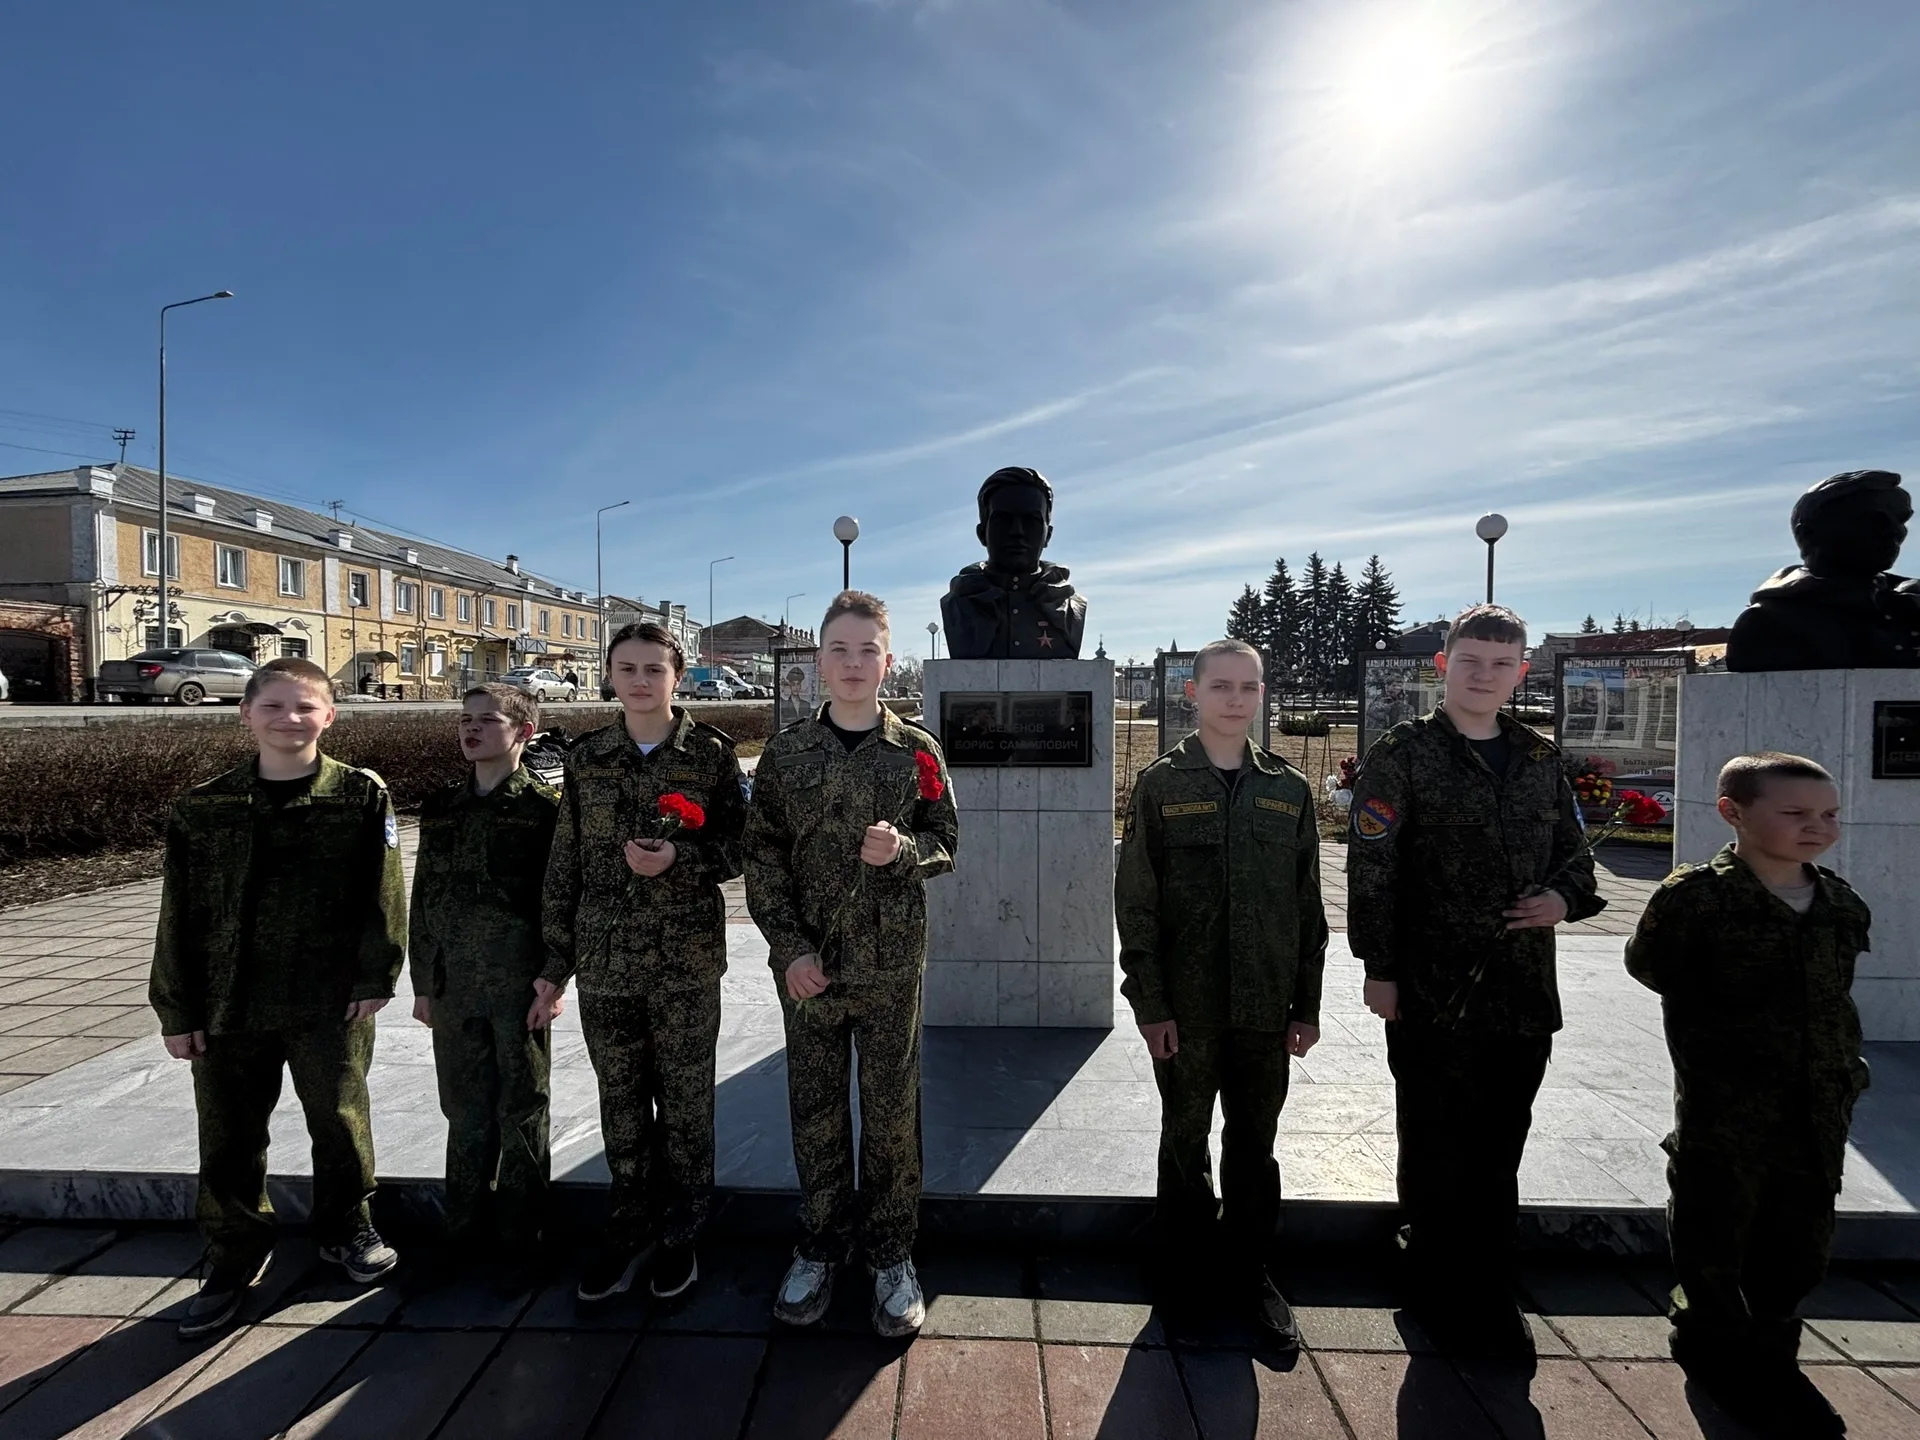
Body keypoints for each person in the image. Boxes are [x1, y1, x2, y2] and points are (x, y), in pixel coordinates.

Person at [1345, 603, 1603, 1355]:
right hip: (1430, 984)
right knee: (1434, 1138)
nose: (1484, 676)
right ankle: (1430, 1276)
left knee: (1500, 1141)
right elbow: (1373, 865)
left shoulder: (1538, 759)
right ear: (1443, 667)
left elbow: (1576, 857)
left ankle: (1487, 1281)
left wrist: (1562, 899)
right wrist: (1381, 969)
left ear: (1522, 671)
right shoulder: (1405, 753)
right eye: (1470, 661)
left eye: (1501, 664)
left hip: (1521, 990)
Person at [149, 656, 407, 1340]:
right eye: (273, 707)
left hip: (328, 1001)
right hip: (230, 999)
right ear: (246, 714)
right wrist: (176, 1009)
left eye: (305, 707)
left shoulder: (359, 795)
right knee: (229, 1134)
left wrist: (374, 976)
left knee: (340, 1119)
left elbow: (384, 894)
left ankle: (346, 1228)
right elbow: (179, 912)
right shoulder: (205, 805)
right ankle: (233, 1255)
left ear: (330, 716)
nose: (289, 719)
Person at [1625, 753, 1868, 1439]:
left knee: (1801, 1234)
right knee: (1715, 1226)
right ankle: (1712, 1343)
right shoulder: (1695, 897)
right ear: (1735, 813)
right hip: (1727, 1102)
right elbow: (1652, 967)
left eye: (1827, 815)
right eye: (1794, 814)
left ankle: (1772, 1346)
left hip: (1816, 1102)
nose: (1816, 828)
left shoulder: (1839, 902)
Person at [744, 590, 958, 1337]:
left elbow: (945, 841)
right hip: (810, 974)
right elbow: (762, 857)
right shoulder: (786, 753)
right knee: (816, 1113)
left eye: (869, 650)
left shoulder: (918, 752)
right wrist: (790, 950)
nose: (855, 662)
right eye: (841, 649)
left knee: (894, 1114)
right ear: (820, 660)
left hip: (891, 967)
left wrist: (904, 853)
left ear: (887, 661)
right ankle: (821, 1245)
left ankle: (892, 1253)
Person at [1115, 638, 1327, 1348]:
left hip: (1266, 1008)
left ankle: (1249, 1273)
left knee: (1254, 1145)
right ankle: (1182, 1273)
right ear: (1193, 695)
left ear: (1261, 694)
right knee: (1183, 1143)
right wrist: (1151, 1004)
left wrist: (1307, 1004)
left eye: (1248, 686)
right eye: (1222, 686)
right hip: (1188, 1010)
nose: (1235, 698)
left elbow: (1308, 907)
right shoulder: (1161, 787)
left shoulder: (1288, 790)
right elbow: (1136, 905)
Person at [541, 621, 747, 1304]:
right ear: (608, 675)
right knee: (622, 1106)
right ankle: (628, 1227)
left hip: (685, 961)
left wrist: (680, 859)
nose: (639, 681)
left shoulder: (712, 756)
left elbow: (741, 848)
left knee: (687, 1107)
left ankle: (682, 1234)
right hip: (606, 964)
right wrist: (555, 962)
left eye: (653, 669)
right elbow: (565, 860)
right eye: (625, 668)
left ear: (677, 676)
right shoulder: (587, 756)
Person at [409, 684, 563, 1281]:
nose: (471, 730)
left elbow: (559, 900)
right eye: (464, 720)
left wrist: (553, 978)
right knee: (464, 1109)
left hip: (518, 986)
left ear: (524, 732)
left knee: (522, 1108)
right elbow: (426, 897)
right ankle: (463, 1230)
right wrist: (423, 982)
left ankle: (521, 1236)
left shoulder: (544, 809)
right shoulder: (443, 806)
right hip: (455, 988)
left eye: (488, 720)